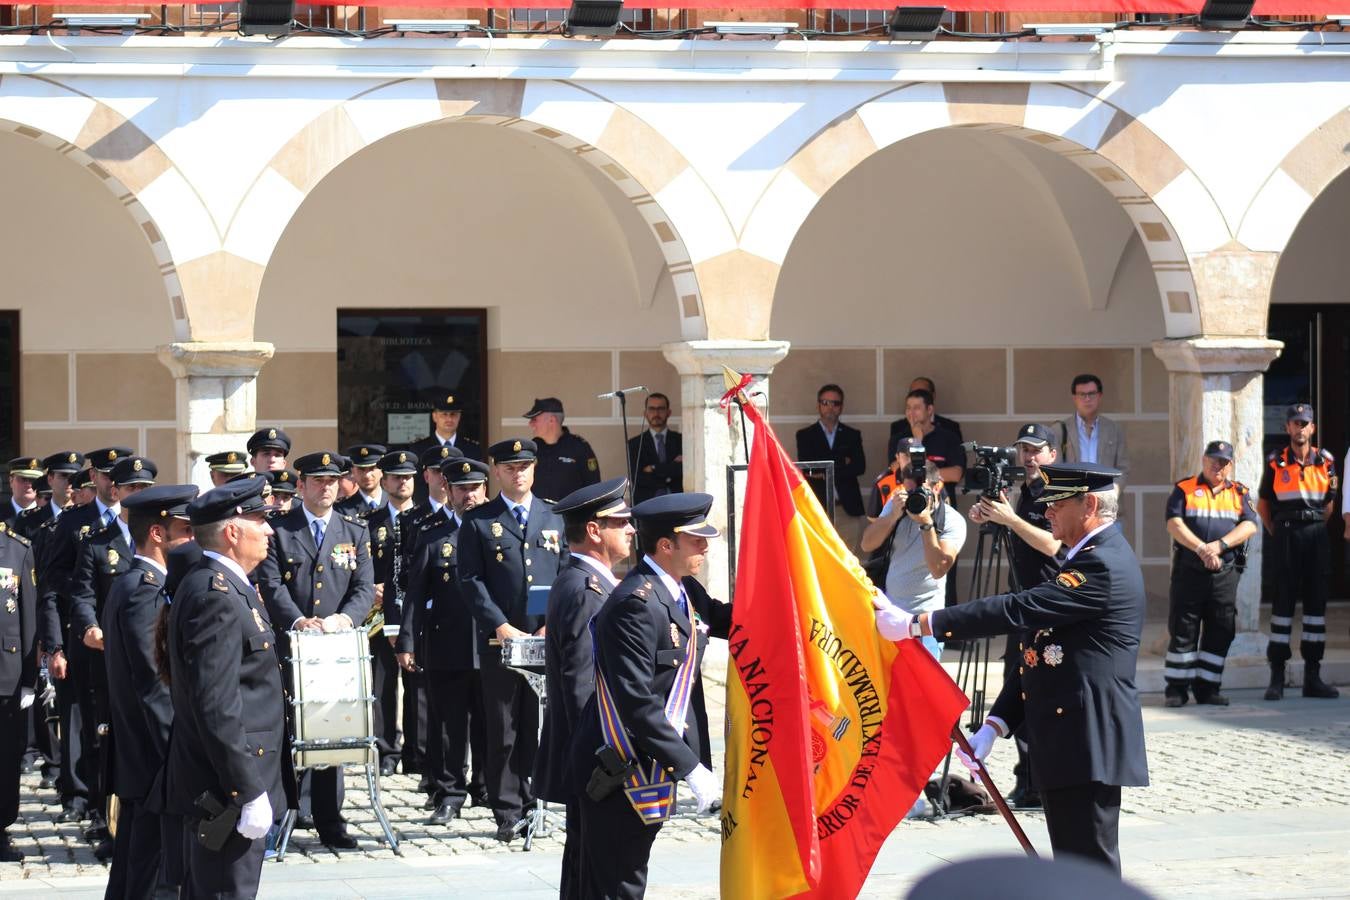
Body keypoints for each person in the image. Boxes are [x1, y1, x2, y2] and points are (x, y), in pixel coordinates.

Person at [877, 462, 1148, 874]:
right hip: (1068, 740)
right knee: (1075, 869)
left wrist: (919, 624)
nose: (1047, 512)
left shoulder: (1101, 565)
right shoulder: (1084, 559)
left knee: (1091, 871)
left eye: (1057, 503)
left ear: (1089, 504)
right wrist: (997, 723)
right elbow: (1042, 649)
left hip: (1087, 739)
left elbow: (1018, 609)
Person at [568, 493, 730, 899]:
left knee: (619, 879)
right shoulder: (635, 604)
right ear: (666, 545)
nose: (706, 547)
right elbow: (637, 703)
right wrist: (693, 769)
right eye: (697, 540)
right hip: (620, 766)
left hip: (648, 762)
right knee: (617, 884)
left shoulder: (680, 589)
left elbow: (728, 619)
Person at [163, 478, 292, 897]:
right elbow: (216, 704)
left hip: (232, 781)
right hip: (226, 790)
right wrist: (247, 790)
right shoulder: (215, 594)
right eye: (260, 519)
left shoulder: (228, 586)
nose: (270, 530)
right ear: (233, 531)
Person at [256, 450, 375, 849]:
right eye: (317, 481)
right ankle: (283, 814)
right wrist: (297, 621)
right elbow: (271, 585)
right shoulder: (280, 529)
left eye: (331, 480)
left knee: (331, 729)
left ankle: (328, 816)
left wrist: (344, 620)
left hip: (333, 648)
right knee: (284, 729)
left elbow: (362, 588)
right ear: (301, 484)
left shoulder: (354, 531)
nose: (325, 487)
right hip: (291, 645)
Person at [458, 438, 566, 841]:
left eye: (524, 465)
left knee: (539, 722)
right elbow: (470, 580)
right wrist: (499, 625)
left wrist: (552, 622)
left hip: (544, 637)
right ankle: (508, 809)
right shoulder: (480, 520)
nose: (517, 472)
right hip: (500, 641)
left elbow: (567, 572)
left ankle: (537, 797)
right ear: (496, 472)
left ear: (534, 469)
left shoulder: (554, 516)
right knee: (503, 726)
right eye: (508, 467)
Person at [535, 477, 633, 900]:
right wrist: (602, 758)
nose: (631, 528)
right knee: (596, 871)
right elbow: (580, 684)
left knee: (585, 866)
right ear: (594, 531)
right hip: (595, 758)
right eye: (620, 521)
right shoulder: (584, 589)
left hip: (589, 755)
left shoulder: (590, 583)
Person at [99, 483, 196, 898]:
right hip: (154, 762)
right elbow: (154, 685)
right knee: (154, 876)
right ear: (158, 534)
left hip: (141, 760)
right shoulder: (145, 591)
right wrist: (177, 757)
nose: (192, 539)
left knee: (133, 873)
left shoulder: (135, 583)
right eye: (185, 530)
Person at [966, 422, 1062, 808]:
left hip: (1048, 601)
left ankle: (1042, 779)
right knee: (1016, 684)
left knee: (1041, 690)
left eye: (1037, 450)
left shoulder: (1057, 493)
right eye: (1024, 449)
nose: (1029, 457)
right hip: (1022, 601)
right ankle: (1028, 778)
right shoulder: (1022, 492)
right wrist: (990, 514)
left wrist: (1011, 520)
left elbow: (1053, 545)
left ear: (1052, 454)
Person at [397, 457, 492, 823]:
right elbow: (416, 591)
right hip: (445, 642)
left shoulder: (495, 528)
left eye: (474, 488)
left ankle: (486, 785)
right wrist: (407, 641)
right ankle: (451, 792)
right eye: (461, 489)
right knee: (450, 724)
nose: (468, 495)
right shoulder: (432, 532)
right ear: (447, 491)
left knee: (489, 721)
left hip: (489, 644)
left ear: (484, 489)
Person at [1162, 440, 1260, 707]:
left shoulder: (1239, 492)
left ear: (1230, 465)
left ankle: (1208, 689)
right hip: (1190, 570)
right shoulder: (1185, 488)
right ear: (1204, 460)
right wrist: (1202, 549)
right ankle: (1176, 690)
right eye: (1214, 460)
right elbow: (1173, 522)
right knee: (1183, 629)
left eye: (1224, 462)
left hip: (1225, 572)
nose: (1218, 466)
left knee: (1220, 629)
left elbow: (1250, 526)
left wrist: (1219, 546)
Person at [1257, 403, 1339, 700]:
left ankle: (1312, 677)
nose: (1300, 428)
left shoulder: (1326, 461)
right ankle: (1276, 677)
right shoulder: (1275, 462)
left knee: (1316, 607)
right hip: (1287, 536)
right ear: (1287, 428)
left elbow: (1329, 503)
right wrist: (1278, 533)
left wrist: (1314, 526)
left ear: (1312, 428)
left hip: (1316, 535)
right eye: (1295, 423)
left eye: (1305, 423)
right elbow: (1263, 503)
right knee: (1283, 605)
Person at [859, 460, 966, 661]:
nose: (914, 497)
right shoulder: (897, 507)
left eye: (920, 491)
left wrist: (926, 524)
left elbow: (938, 569)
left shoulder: (951, 520)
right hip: (890, 615)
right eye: (909, 491)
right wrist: (891, 516)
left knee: (924, 687)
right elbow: (867, 544)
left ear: (937, 487)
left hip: (925, 620)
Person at [363, 450, 419, 777]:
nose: (402, 482)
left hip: (415, 615)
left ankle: (415, 751)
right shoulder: (369, 524)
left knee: (418, 687)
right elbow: (358, 566)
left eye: (408, 477)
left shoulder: (427, 519)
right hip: (379, 616)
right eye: (396, 477)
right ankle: (386, 750)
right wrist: (370, 588)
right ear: (384, 481)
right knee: (382, 685)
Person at [0, 517, 38, 862]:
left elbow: (28, 613)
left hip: (6, 674)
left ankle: (1, 828)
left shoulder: (17, 548)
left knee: (6, 756)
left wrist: (29, 678)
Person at [796, 383, 867, 548]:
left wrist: (826, 470)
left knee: (849, 560)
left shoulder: (851, 435)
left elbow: (859, 467)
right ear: (818, 405)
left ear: (841, 407)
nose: (830, 407)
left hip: (846, 509)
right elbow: (808, 468)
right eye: (825, 402)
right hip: (817, 508)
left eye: (835, 403)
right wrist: (842, 464)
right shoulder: (805, 435)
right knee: (820, 558)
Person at [410, 392, 482, 505]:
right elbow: (418, 484)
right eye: (444, 414)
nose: (449, 418)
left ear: (459, 417)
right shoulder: (419, 449)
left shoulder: (472, 449)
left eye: (453, 414)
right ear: (434, 416)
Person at [1055, 375, 1130, 484]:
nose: (1087, 399)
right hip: (1073, 498)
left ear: (1099, 396)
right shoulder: (1059, 430)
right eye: (1082, 394)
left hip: (1107, 497)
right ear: (1074, 398)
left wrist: (1113, 492)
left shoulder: (1114, 430)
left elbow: (1123, 468)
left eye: (1091, 394)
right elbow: (1054, 469)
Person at [524, 398, 600, 503]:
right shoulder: (532, 449)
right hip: (538, 517)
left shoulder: (579, 447)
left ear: (551, 420)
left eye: (534, 419)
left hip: (570, 517)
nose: (530, 424)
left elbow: (593, 487)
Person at [627, 393, 683, 504]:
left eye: (661, 409)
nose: (656, 413)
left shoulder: (681, 441)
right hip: (647, 505)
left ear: (668, 412)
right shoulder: (634, 444)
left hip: (678, 503)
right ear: (645, 413)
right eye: (652, 409)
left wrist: (654, 468)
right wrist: (670, 470)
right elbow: (638, 479)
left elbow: (681, 471)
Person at [334, 443, 388, 518]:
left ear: (381, 470)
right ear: (353, 472)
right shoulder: (342, 510)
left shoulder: (393, 502)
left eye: (372, 468)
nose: (367, 475)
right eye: (361, 469)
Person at [4, 456, 43, 526]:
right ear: (11, 481)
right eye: (23, 479)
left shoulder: (50, 516)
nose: (29, 485)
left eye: (34, 480)